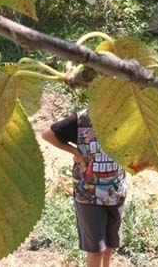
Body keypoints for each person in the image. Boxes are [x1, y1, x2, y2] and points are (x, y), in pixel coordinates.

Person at [42, 109, 127, 267]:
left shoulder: (124, 116)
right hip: (89, 194)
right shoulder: (82, 119)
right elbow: (48, 134)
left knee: (110, 241)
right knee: (96, 247)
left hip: (115, 191)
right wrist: (75, 152)